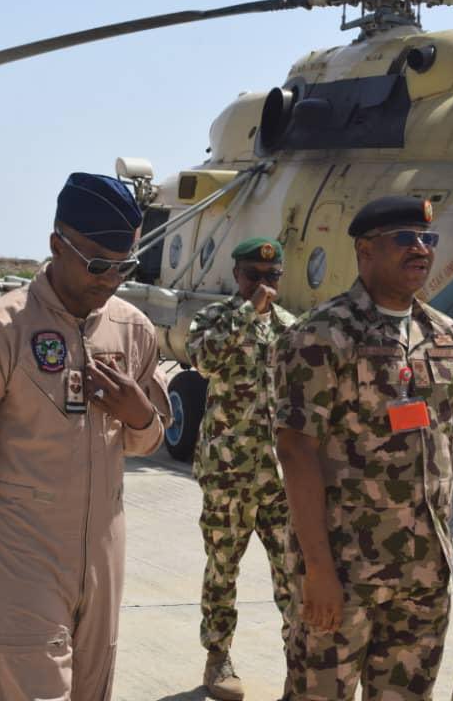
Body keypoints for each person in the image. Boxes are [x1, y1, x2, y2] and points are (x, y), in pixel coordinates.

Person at [0, 173, 171, 701]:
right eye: (98, 265)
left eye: (124, 266)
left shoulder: (134, 331)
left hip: (104, 560)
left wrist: (140, 416)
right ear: (57, 244)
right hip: (25, 562)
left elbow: (146, 443)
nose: (111, 280)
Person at [273, 196, 453, 700]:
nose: (421, 249)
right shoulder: (321, 336)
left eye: (428, 239)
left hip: (423, 577)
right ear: (365, 251)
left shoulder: (449, 339)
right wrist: (317, 569)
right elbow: (296, 450)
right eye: (405, 239)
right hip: (343, 573)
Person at [186, 236, 296, 700]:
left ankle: (300, 662)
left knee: (294, 573)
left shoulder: (290, 328)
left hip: (279, 477)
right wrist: (248, 311)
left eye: (272, 276)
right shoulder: (215, 318)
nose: (263, 284)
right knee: (222, 569)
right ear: (237, 276)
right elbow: (204, 361)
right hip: (227, 474)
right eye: (253, 275)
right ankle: (218, 657)